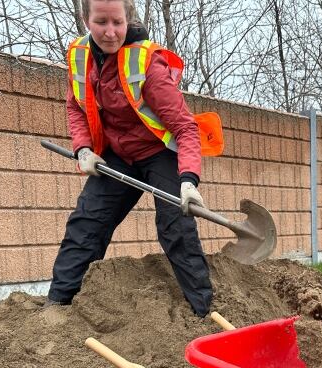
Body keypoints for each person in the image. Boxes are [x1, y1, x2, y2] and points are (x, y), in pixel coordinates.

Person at [45, 0, 213, 317]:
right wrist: (83, 149)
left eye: (117, 23)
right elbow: (76, 107)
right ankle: (58, 308)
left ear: (128, 19)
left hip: (158, 153)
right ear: (86, 19)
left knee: (176, 227)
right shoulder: (79, 57)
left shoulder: (146, 62)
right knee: (86, 223)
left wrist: (189, 181)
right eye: (101, 22)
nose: (110, 32)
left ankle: (201, 311)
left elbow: (185, 127)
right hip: (117, 155)